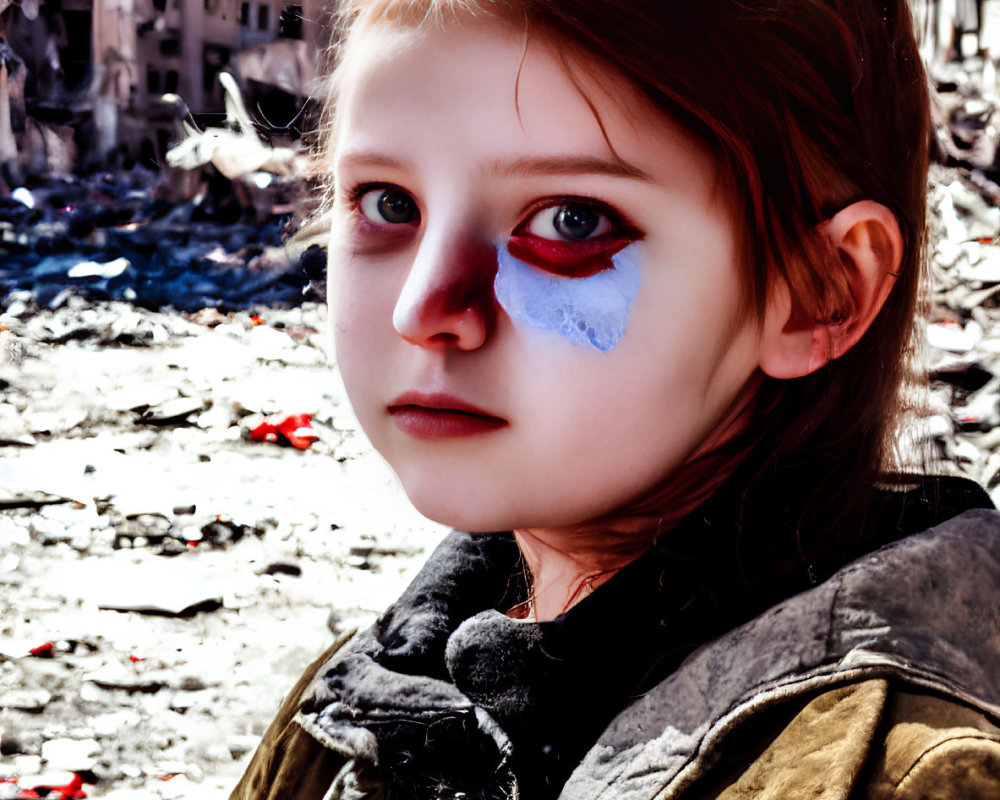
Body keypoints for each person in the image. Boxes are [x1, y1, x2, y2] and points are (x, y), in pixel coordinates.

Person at [232, 1, 1000, 797]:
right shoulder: (349, 712)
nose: (423, 310)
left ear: (819, 291)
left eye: (572, 221)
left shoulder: (911, 775)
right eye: (388, 203)